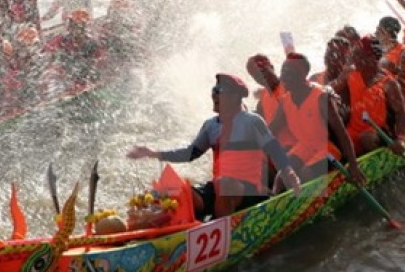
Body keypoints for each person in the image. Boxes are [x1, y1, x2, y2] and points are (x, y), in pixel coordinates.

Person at [128, 74, 300, 220]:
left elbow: (274, 149)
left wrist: (289, 173)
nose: (214, 96)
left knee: (223, 184)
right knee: (176, 190)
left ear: (235, 97)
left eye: (220, 92)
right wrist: (153, 153)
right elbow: (190, 154)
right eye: (213, 91)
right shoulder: (210, 126)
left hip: (250, 190)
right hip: (220, 188)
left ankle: (221, 230)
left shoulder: (252, 121)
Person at [270, 54, 365, 183]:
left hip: (327, 148)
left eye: (288, 73)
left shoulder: (321, 97)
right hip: (304, 146)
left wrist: (353, 165)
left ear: (301, 75)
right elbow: (270, 130)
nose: (283, 78)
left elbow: (341, 133)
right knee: (281, 177)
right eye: (282, 72)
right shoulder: (284, 102)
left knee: (305, 173)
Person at [330, 35, 405, 155]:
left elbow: (401, 114)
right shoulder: (351, 72)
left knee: (366, 138)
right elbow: (332, 87)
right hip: (352, 131)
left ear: (372, 58)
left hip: (376, 133)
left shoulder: (388, 83)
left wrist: (401, 139)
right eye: (354, 54)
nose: (353, 59)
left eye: (358, 55)